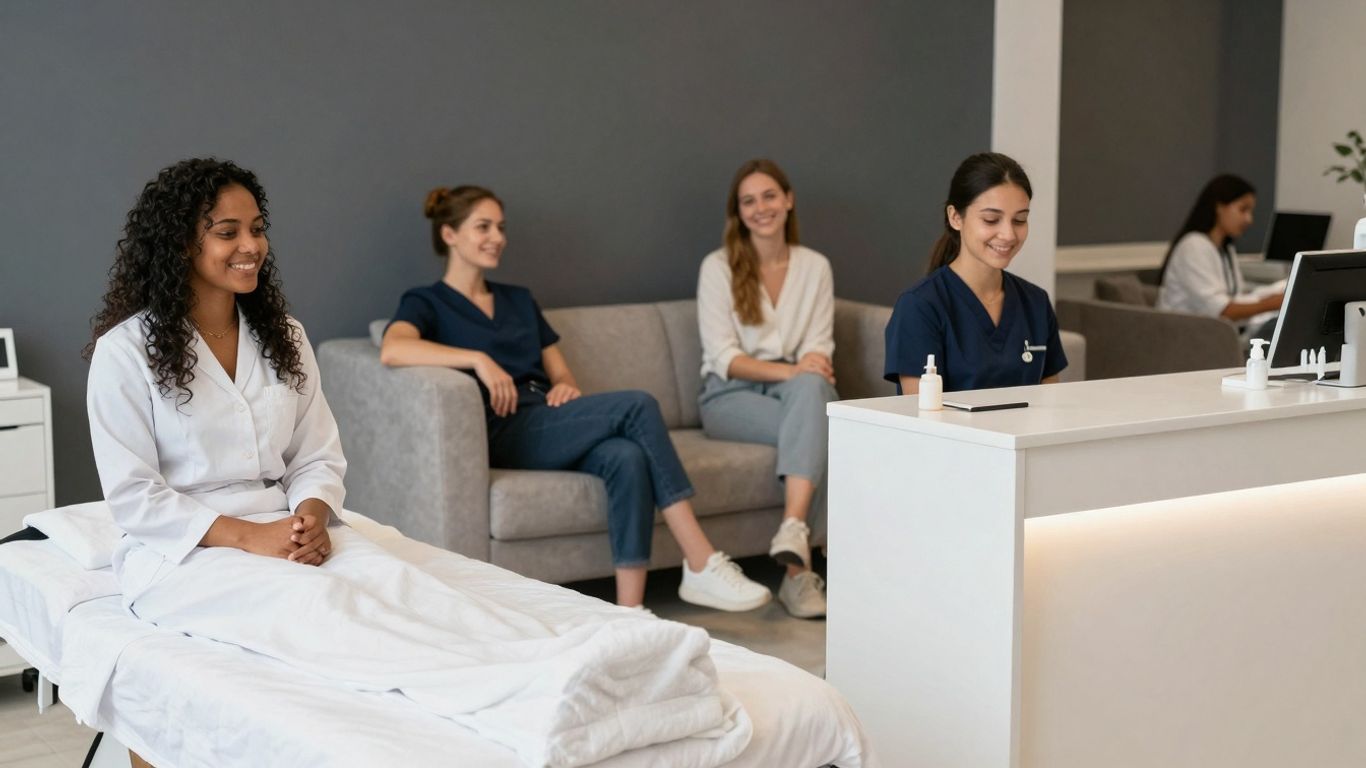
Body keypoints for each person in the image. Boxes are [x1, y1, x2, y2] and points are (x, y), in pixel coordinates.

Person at [85, 159, 749, 767]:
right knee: (327, 612)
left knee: (407, 588)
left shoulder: (281, 336)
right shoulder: (125, 353)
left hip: (290, 526)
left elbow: (316, 452)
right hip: (187, 555)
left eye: (257, 228)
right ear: (180, 243)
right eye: (227, 232)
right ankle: (531, 696)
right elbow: (136, 497)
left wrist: (311, 513)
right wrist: (250, 537)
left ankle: (584, 661)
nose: (251, 245)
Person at [380, 184, 770, 612]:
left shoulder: (518, 299)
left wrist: (565, 383)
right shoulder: (426, 301)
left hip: (547, 414)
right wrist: (477, 359)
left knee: (626, 456)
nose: (498, 237)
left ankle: (630, 613)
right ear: (450, 235)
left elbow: (558, 368)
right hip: (503, 428)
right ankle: (700, 560)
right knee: (638, 405)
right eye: (483, 227)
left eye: (501, 227)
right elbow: (394, 348)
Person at [695, 159, 834, 619]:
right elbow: (725, 358)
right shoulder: (718, 268)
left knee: (815, 402)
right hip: (727, 396)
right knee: (825, 428)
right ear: (738, 212)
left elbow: (818, 350)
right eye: (749, 201)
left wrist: (801, 373)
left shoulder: (815, 267)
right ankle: (809, 574)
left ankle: (794, 542)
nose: (761, 208)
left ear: (788, 200)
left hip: (796, 392)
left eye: (769, 196)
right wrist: (793, 372)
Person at [885, 152, 1068, 393]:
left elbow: (1050, 406)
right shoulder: (920, 306)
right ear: (955, 217)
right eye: (992, 220)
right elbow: (921, 419)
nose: (1009, 234)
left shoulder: (1036, 303)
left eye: (1019, 220)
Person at [1156, 174, 1283, 333]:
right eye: (1243, 209)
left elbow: (1235, 298)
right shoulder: (1193, 246)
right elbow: (1222, 311)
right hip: (1184, 337)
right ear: (1219, 207)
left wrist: (1274, 294)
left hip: (1214, 335)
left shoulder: (1225, 249)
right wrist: (1271, 303)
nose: (1249, 219)